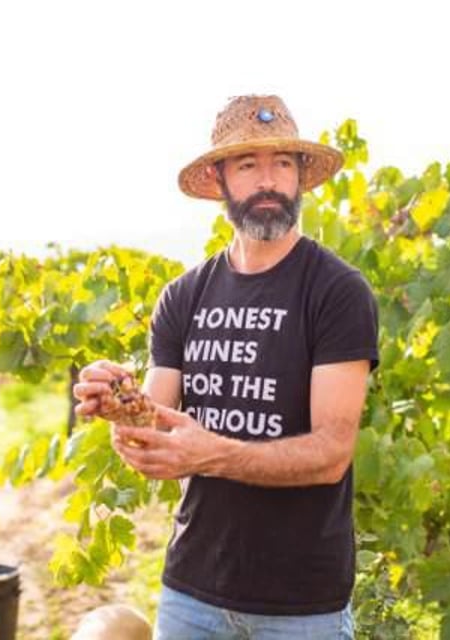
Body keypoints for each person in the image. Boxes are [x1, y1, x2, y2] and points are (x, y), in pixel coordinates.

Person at [73, 95, 379, 639]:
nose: (268, 181)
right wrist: (118, 400)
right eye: (247, 165)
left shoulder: (336, 292)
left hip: (301, 607)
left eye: (282, 163)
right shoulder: (182, 297)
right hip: (191, 593)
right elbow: (153, 425)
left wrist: (212, 453)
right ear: (219, 180)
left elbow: (332, 453)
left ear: (300, 177)